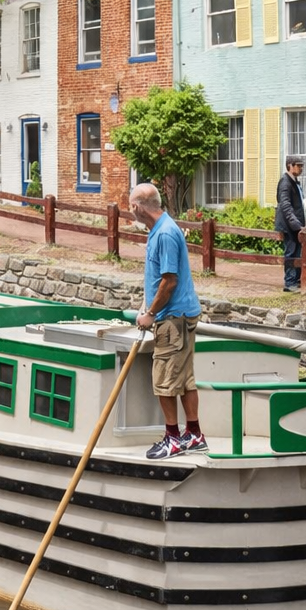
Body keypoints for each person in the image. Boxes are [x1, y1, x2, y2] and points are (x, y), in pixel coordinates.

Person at [131, 182, 204, 459]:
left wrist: (150, 313)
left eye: (131, 207)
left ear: (138, 207)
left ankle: (173, 438)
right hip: (176, 315)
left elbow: (169, 280)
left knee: (164, 380)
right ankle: (194, 434)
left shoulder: (164, 234)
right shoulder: (159, 230)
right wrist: (146, 304)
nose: (131, 212)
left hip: (173, 319)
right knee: (184, 380)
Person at [274, 155, 306, 294]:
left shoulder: (294, 182)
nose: (301, 168)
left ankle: (296, 280)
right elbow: (285, 206)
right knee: (291, 252)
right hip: (290, 226)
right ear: (290, 165)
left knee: (298, 252)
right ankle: (289, 282)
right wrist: (297, 225)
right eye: (298, 166)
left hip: (295, 224)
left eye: (301, 166)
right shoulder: (285, 182)